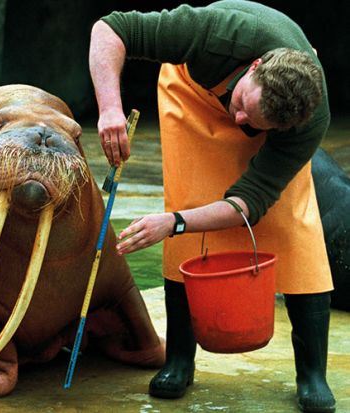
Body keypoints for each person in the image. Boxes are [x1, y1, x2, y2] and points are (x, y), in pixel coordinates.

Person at [88, 1, 336, 412]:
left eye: (252, 122)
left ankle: (312, 374)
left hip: (267, 112)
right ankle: (180, 360)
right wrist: (110, 109)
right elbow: (110, 29)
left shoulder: (307, 121)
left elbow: (248, 202)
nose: (239, 119)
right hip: (194, 96)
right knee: (192, 205)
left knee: (294, 229)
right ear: (255, 66)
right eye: (242, 104)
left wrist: (175, 222)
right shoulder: (217, 33)